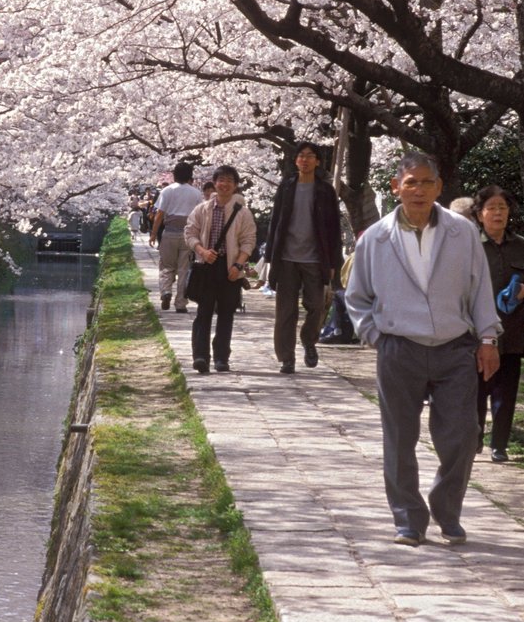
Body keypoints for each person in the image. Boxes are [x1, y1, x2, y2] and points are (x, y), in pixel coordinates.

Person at [345, 151, 500, 547]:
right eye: (410, 182)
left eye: (426, 182)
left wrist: (487, 338)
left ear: (439, 187)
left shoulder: (462, 232)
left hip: (455, 347)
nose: (418, 190)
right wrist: (376, 336)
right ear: (396, 187)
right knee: (399, 438)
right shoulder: (376, 237)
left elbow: (481, 288)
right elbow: (357, 296)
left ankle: (447, 510)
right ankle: (408, 519)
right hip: (399, 348)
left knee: (463, 435)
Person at [265, 142, 344, 373]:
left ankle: (309, 341)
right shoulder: (287, 186)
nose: (305, 160)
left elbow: (333, 229)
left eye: (310, 156)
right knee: (285, 311)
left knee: (317, 306)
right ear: (296, 160)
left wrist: (332, 262)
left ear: (318, 161)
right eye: (301, 156)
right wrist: (270, 256)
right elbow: (275, 221)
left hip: (315, 258)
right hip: (287, 258)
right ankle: (286, 358)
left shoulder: (325, 191)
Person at [474, 185, 524, 463]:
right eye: (491, 207)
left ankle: (499, 444)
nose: (497, 213)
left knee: (506, 392)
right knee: (476, 390)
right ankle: (473, 442)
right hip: (476, 332)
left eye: (502, 207)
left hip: (512, 330)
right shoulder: (470, 246)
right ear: (479, 214)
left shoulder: (523, 246)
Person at [182, 165, 258, 374]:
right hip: (207, 266)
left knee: (227, 312)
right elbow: (190, 233)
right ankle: (200, 356)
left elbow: (248, 241)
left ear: (235, 186)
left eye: (229, 181)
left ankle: (221, 357)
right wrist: (202, 251)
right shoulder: (202, 209)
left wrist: (238, 264)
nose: (225, 184)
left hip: (230, 267)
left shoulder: (243, 213)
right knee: (203, 311)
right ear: (215, 183)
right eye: (221, 180)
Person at [148, 162, 200, 313]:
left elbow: (159, 214)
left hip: (169, 232)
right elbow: (199, 216)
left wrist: (153, 233)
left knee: (166, 265)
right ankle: (181, 303)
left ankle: (166, 291)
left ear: (174, 174)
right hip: (188, 234)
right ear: (190, 175)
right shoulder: (196, 193)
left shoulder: (167, 190)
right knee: (184, 269)